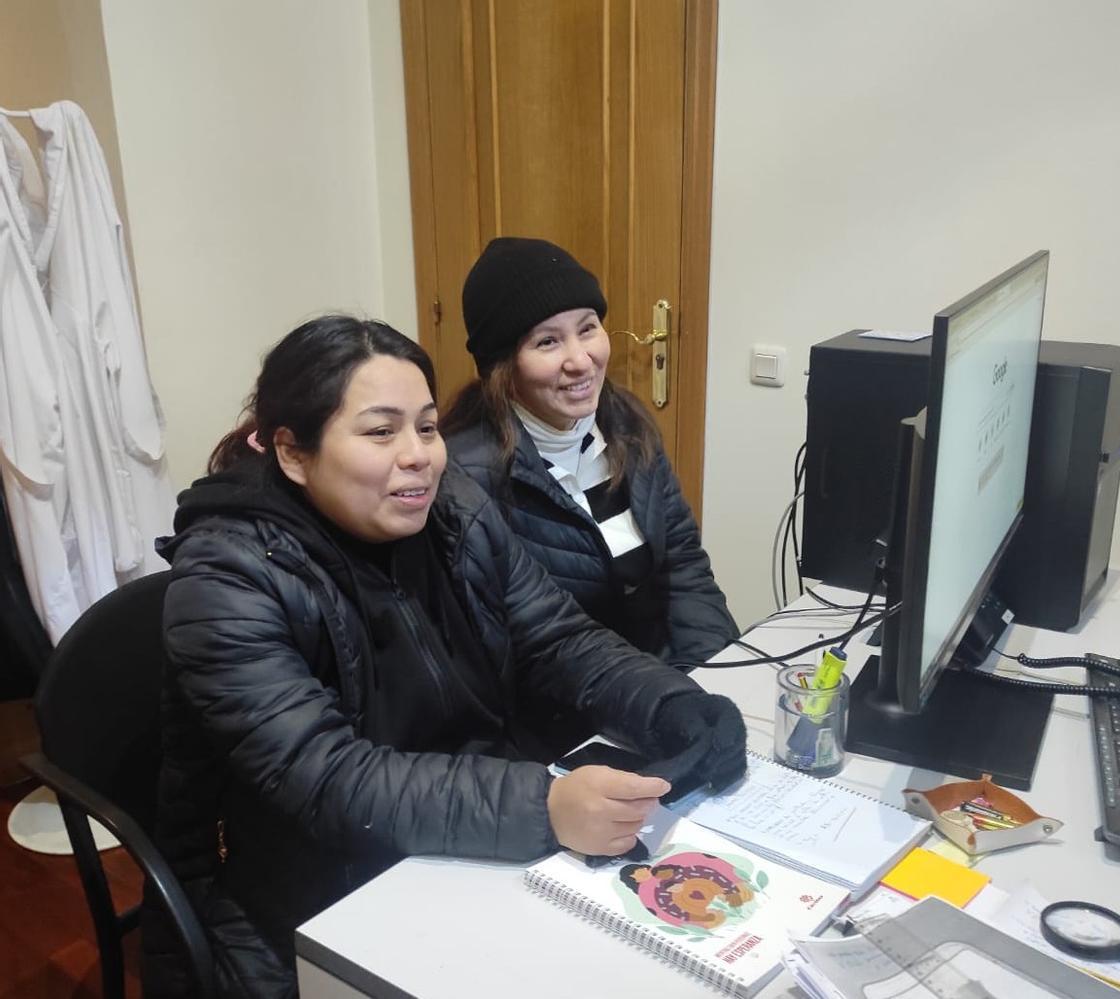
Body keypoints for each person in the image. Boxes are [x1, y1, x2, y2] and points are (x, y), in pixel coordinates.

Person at [143, 316, 745, 998]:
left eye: (426, 426)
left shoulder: (450, 505)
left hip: (459, 832)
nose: (419, 455)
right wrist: (543, 805)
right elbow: (333, 780)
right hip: (315, 889)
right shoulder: (226, 580)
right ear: (292, 452)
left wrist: (674, 702)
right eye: (380, 430)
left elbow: (557, 636)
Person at [442, 237, 739, 687]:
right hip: (569, 717)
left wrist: (710, 679)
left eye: (588, 328)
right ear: (503, 366)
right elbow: (516, 650)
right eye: (547, 342)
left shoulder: (628, 424)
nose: (581, 361)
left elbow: (684, 571)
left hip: (662, 683)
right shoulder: (466, 476)